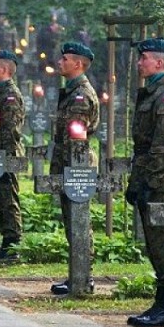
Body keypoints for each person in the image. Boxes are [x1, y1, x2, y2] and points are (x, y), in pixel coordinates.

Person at [125, 38, 164, 327]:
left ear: (159, 63)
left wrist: (148, 182)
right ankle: (161, 303)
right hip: (149, 176)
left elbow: (161, 146)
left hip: (161, 181)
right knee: (154, 243)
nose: (140, 62)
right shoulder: (152, 92)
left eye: (144, 58)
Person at [49, 42, 99, 295]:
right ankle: (76, 274)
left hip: (76, 166)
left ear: (78, 64)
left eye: (65, 58)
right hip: (67, 165)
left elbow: (75, 138)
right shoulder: (70, 92)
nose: (60, 62)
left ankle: (83, 276)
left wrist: (69, 168)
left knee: (79, 221)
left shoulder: (80, 96)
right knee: (71, 221)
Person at [0, 50, 25, 259]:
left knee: (8, 198)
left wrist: (2, 156)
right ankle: (6, 239)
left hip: (6, 153)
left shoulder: (10, 96)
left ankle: (12, 241)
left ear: (3, 69)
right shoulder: (0, 93)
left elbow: (10, 129)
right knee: (1, 198)